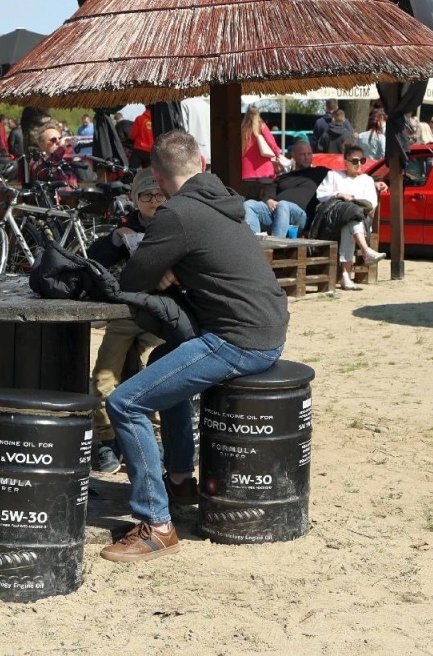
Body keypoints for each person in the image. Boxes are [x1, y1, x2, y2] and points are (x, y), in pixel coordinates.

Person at [100, 130, 287, 562]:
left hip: (238, 340)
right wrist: (171, 268)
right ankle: (181, 480)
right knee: (163, 359)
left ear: (156, 176)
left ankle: (156, 526)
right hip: (268, 330)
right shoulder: (225, 201)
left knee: (125, 403)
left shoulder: (177, 213)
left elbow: (132, 280)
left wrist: (164, 268)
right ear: (201, 163)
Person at [83, 167, 168, 473]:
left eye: (158, 194)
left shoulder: (174, 223)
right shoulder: (126, 226)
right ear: (135, 198)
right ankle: (108, 440)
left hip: (160, 312)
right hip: (125, 312)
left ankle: (156, 438)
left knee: (154, 371)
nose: (153, 201)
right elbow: (92, 260)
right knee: (103, 376)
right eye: (146, 195)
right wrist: (116, 240)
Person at [309, 144, 384, 290]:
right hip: (333, 222)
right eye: (355, 161)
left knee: (349, 221)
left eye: (362, 160)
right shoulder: (333, 175)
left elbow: (371, 203)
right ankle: (366, 251)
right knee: (349, 215)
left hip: (358, 222)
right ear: (346, 162)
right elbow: (321, 195)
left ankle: (345, 275)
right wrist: (339, 195)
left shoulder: (367, 180)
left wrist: (353, 201)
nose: (359, 164)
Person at [243, 139, 326, 239]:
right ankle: (253, 242)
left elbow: (340, 175)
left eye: (309, 154)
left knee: (283, 204)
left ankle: (277, 244)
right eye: (302, 154)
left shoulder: (320, 172)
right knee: (249, 204)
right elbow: (267, 197)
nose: (307, 157)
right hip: (276, 213)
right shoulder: (282, 178)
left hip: (300, 217)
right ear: (293, 155)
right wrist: (269, 201)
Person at [241, 106, 282, 188]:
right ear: (258, 114)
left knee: (249, 193)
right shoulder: (262, 127)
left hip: (247, 169)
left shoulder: (242, 129)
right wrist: (278, 154)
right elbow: (272, 143)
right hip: (264, 168)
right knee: (266, 192)